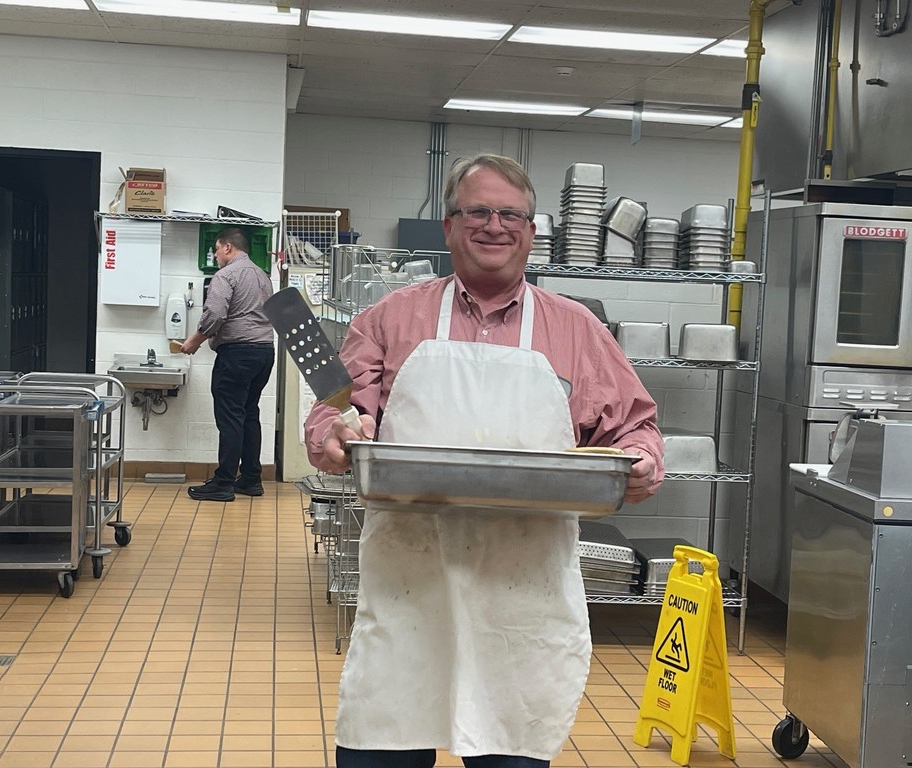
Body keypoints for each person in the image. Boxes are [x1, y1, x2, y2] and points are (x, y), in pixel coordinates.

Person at [305, 154, 664, 768]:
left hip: (521, 593)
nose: (494, 225)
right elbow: (334, 409)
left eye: (510, 214)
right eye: (477, 211)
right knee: (382, 748)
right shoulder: (389, 319)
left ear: (530, 230)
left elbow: (636, 427)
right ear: (448, 225)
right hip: (409, 581)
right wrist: (333, 434)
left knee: (510, 753)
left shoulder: (577, 329)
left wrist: (641, 461)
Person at [181, 227, 274, 502]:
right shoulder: (263, 276)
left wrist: (194, 341)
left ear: (228, 248)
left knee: (230, 416)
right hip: (264, 352)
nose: (216, 254)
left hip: (237, 353)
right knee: (248, 414)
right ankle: (250, 479)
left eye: (217, 249)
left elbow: (215, 314)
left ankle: (223, 483)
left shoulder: (226, 275)